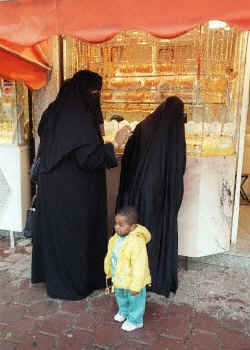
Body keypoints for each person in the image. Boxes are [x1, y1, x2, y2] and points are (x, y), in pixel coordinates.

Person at [31, 70, 126, 300]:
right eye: (95, 92)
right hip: (73, 190)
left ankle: (55, 279)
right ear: (85, 92)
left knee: (58, 234)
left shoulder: (54, 110)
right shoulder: (80, 116)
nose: (97, 97)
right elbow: (89, 158)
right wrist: (114, 144)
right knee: (74, 235)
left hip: (52, 186)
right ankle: (72, 285)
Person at [116, 96, 186, 297]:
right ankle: (156, 276)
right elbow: (179, 165)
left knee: (140, 235)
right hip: (161, 195)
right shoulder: (174, 130)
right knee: (158, 233)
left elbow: (129, 153)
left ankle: (136, 275)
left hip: (139, 193)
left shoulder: (146, 125)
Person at [104, 206, 151, 332]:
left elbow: (140, 266)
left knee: (135, 300)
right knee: (121, 296)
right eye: (116, 223)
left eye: (121, 224)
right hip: (119, 277)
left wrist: (137, 285)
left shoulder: (136, 242)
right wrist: (109, 271)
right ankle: (124, 312)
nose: (116, 227)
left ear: (132, 227)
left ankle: (135, 320)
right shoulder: (115, 238)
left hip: (133, 281)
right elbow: (112, 256)